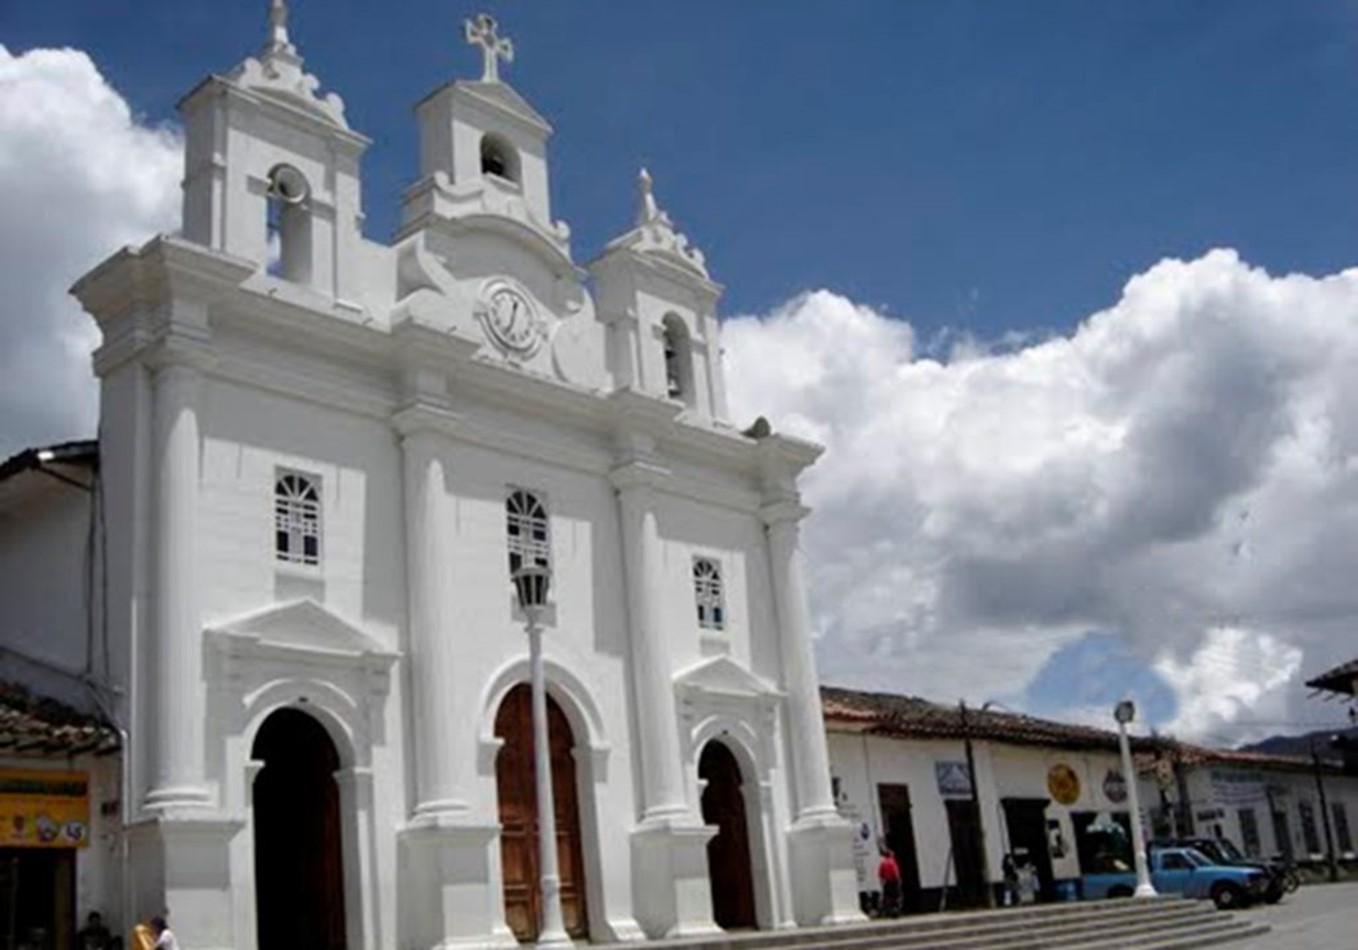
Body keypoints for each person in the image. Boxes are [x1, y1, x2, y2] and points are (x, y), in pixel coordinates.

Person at [877, 848, 902, 917]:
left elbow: (880, 874)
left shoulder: (883, 863)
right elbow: (896, 873)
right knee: (896, 896)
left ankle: (889, 911)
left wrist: (882, 881)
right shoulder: (893, 862)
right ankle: (896, 910)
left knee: (888, 897)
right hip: (894, 882)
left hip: (887, 882)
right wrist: (899, 880)